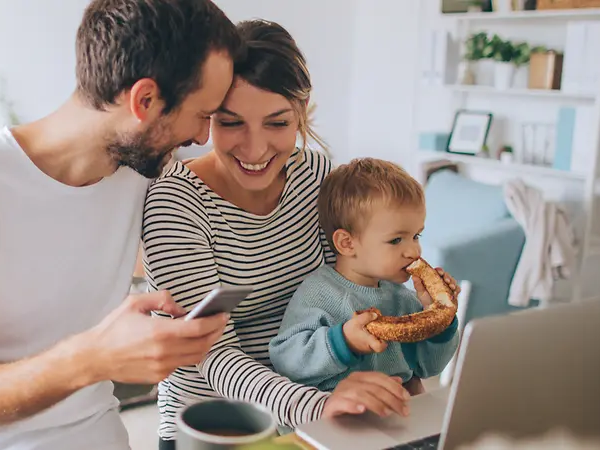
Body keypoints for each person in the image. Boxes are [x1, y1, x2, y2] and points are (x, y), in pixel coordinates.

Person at [0, 1, 241, 448]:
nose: (202, 138)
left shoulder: (143, 172)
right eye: (202, 115)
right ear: (144, 100)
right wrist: (93, 357)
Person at [142, 20, 412, 449]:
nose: (254, 149)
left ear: (301, 113)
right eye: (231, 123)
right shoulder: (176, 203)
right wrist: (317, 407)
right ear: (208, 115)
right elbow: (215, 356)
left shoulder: (317, 177)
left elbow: (348, 289)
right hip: (217, 428)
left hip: (319, 417)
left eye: (277, 123)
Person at [269, 158, 461, 400]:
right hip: (331, 418)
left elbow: (430, 368)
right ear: (347, 243)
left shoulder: (403, 299)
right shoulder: (318, 292)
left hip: (395, 415)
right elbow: (286, 361)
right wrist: (344, 342)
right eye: (396, 240)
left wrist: (439, 317)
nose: (414, 251)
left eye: (416, 236)